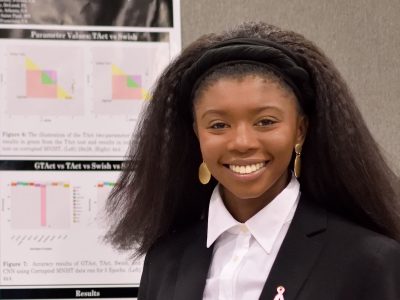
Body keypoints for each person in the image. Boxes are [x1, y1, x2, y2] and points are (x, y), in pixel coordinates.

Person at [105, 22, 400, 299]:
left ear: (300, 129)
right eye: (218, 125)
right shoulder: (165, 259)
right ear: (197, 133)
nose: (242, 143)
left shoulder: (367, 261)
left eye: (265, 121)